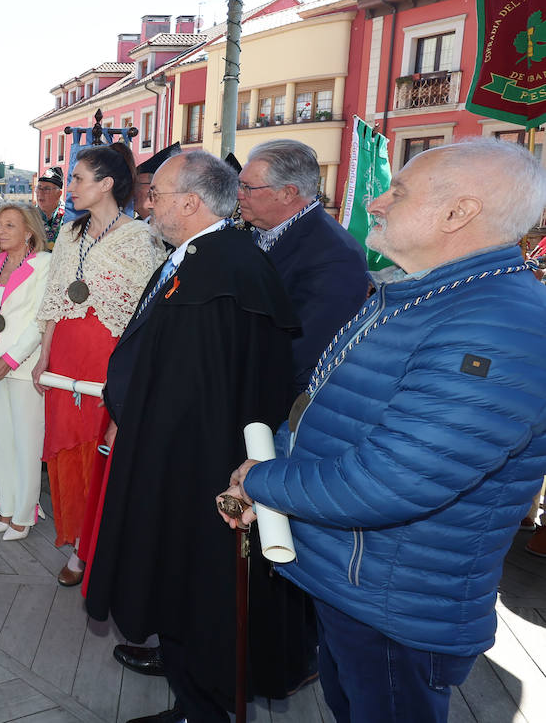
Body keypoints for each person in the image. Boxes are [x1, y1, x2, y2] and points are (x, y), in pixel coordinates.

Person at [220, 139, 546, 723]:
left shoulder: (497, 324)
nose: (375, 200)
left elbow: (395, 480)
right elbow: (326, 410)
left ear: (458, 213)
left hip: (398, 605)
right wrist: (270, 479)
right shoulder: (424, 295)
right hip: (357, 584)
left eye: (399, 190)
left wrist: (266, 483)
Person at [85, 150, 299, 723]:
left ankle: (201, 711)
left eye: (156, 195)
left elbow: (200, 390)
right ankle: (190, 700)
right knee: (177, 583)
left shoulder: (220, 269)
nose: (146, 203)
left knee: (197, 587)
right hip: (175, 456)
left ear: (190, 202)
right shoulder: (201, 257)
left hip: (194, 470)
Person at [31, 146, 165, 586]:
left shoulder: (143, 238)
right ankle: (74, 544)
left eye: (78, 178)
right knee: (66, 453)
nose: (70, 187)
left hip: (108, 362)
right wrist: (44, 356)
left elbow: (146, 317)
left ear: (106, 184)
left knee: (101, 454)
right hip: (64, 356)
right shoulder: (69, 234)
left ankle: (101, 549)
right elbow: (53, 299)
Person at [239, 139, 370, 395]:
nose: (239, 194)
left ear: (287, 193)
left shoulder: (336, 254)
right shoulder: (257, 231)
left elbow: (304, 351)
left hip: (278, 401)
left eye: (248, 187)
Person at [0, 203, 50, 540]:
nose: (0, 232)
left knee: (26, 443)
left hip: (22, 367)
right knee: (1, 442)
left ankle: (25, 511)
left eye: (9, 226)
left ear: (28, 231)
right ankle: (6, 507)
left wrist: (12, 360)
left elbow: (40, 320)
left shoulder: (44, 264)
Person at [34, 167, 64, 248]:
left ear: (59, 194)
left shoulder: (69, 216)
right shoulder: (29, 216)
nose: (40, 193)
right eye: (39, 188)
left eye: (47, 189)